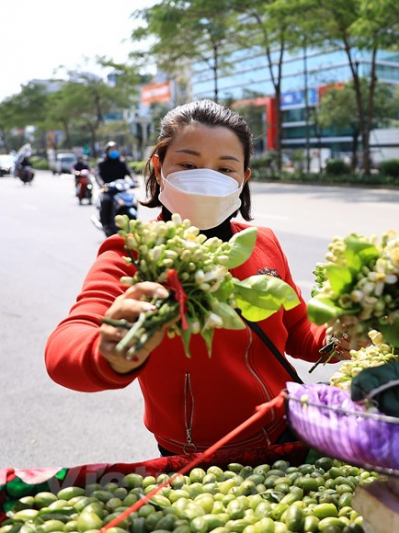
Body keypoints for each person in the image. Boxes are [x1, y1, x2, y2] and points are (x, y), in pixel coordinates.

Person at [45, 100, 336, 456]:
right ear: (159, 167)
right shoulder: (134, 253)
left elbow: (299, 332)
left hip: (285, 430)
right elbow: (65, 348)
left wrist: (342, 336)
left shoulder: (263, 243)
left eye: (225, 169)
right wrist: (105, 353)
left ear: (244, 177)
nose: (206, 179)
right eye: (187, 164)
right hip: (195, 458)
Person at [97, 142, 133, 235]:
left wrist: (135, 180)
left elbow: (129, 172)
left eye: (115, 149)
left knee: (132, 201)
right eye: (111, 150)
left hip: (121, 190)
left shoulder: (121, 163)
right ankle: (106, 224)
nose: (114, 151)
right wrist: (102, 184)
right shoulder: (102, 163)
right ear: (107, 151)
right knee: (106, 201)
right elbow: (98, 175)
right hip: (108, 191)